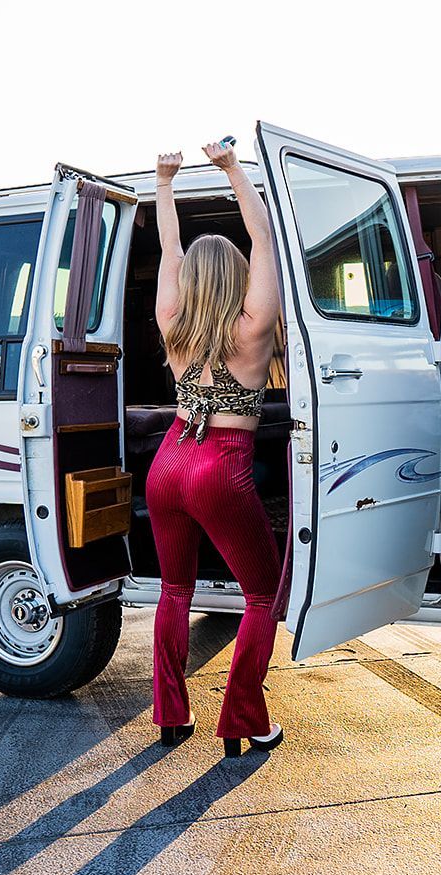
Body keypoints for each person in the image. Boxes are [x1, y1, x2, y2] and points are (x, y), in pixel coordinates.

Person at [147, 140, 284, 758]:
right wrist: (231, 168)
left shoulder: (173, 320)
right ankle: (243, 719)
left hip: (169, 459)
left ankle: (172, 714)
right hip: (219, 465)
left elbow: (169, 249)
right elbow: (266, 243)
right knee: (260, 593)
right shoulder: (253, 324)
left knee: (175, 590)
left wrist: (165, 181)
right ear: (234, 277)